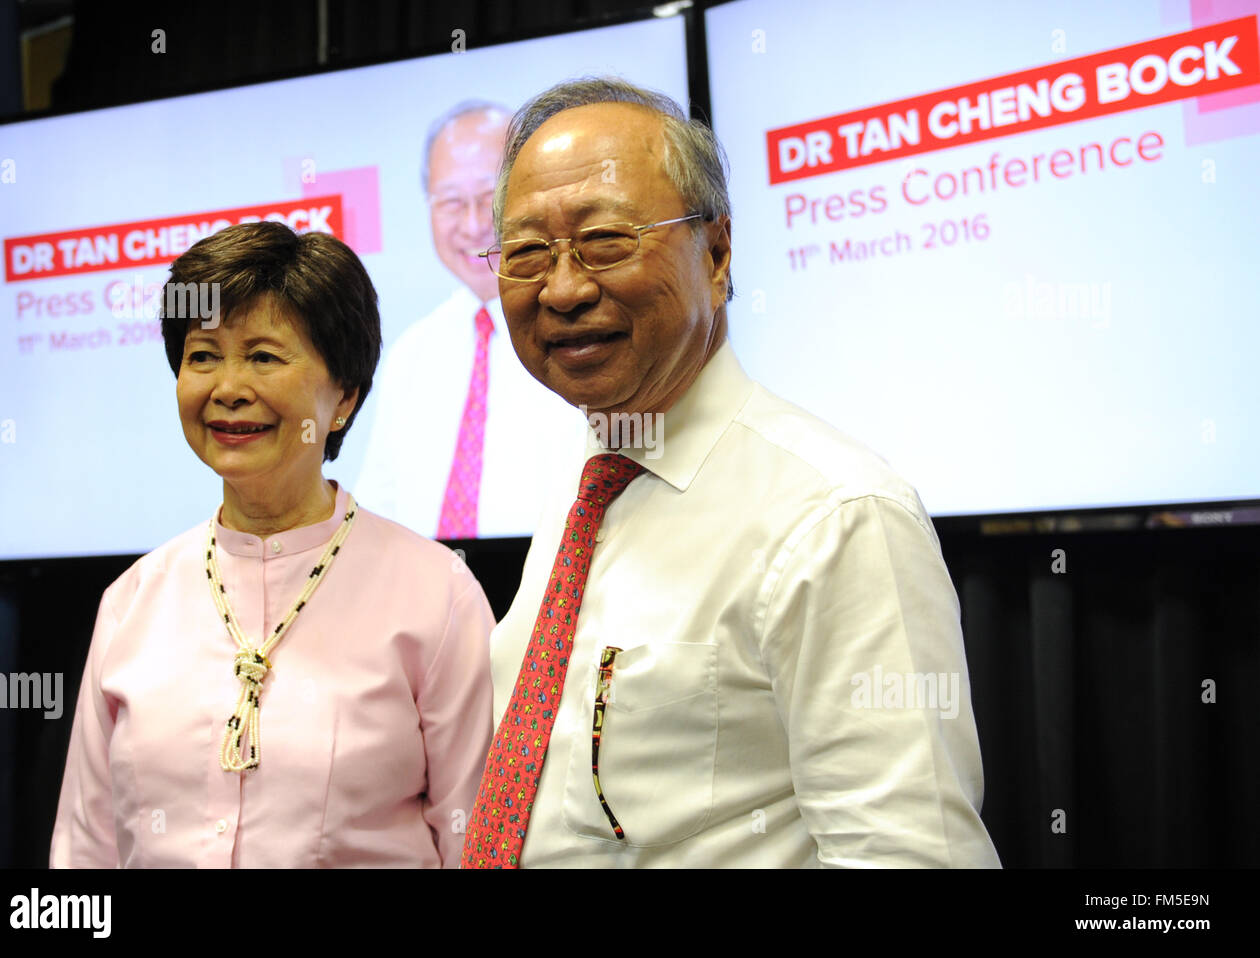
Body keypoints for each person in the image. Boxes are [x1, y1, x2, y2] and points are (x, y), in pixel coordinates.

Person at [459, 78, 1001, 868]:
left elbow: (910, 854)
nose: (565, 288)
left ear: (716, 253)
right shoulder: (588, 487)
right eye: (526, 253)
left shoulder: (835, 515)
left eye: (607, 240)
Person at [50, 221, 494, 867]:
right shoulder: (132, 602)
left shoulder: (437, 595)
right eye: (203, 356)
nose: (227, 387)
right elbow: (84, 848)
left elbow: (476, 842)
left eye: (262, 355)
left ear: (342, 396)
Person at [354, 100, 584, 538]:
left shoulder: (586, 329)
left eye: (490, 197)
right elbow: (378, 510)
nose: (475, 223)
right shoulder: (413, 352)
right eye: (452, 202)